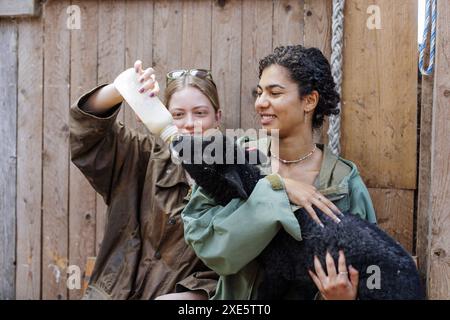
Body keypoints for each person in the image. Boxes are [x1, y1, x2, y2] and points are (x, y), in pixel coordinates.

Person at [181, 45, 377, 300]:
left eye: (275, 93)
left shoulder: (342, 181)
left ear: (309, 101)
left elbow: (373, 267)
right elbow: (209, 247)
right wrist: (278, 187)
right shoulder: (234, 159)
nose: (261, 103)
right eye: (260, 92)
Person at [69, 60, 221, 299]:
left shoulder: (233, 179)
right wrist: (121, 89)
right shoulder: (140, 158)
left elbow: (233, 269)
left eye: (200, 113)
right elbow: (86, 136)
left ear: (217, 117)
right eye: (178, 115)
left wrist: (194, 295)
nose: (190, 124)